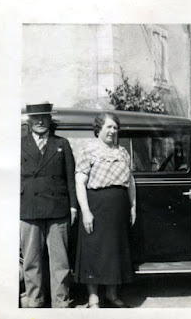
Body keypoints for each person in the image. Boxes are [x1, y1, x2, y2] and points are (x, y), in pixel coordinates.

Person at [74, 112, 136, 308]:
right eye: (108, 127)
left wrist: (133, 206)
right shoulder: (88, 151)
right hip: (96, 206)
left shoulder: (123, 152)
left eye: (115, 128)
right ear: (98, 129)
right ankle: (93, 297)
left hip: (118, 207)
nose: (112, 131)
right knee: (94, 250)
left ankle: (111, 294)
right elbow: (79, 181)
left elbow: (130, 181)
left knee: (115, 251)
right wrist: (86, 211)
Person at [20, 102, 78, 308]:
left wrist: (73, 207)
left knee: (60, 263)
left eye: (44, 117)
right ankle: (35, 301)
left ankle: (60, 303)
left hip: (58, 209)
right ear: (29, 121)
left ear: (49, 120)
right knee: (31, 261)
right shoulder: (19, 144)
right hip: (28, 209)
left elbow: (70, 178)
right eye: (36, 118)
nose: (40, 121)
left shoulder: (62, 143)